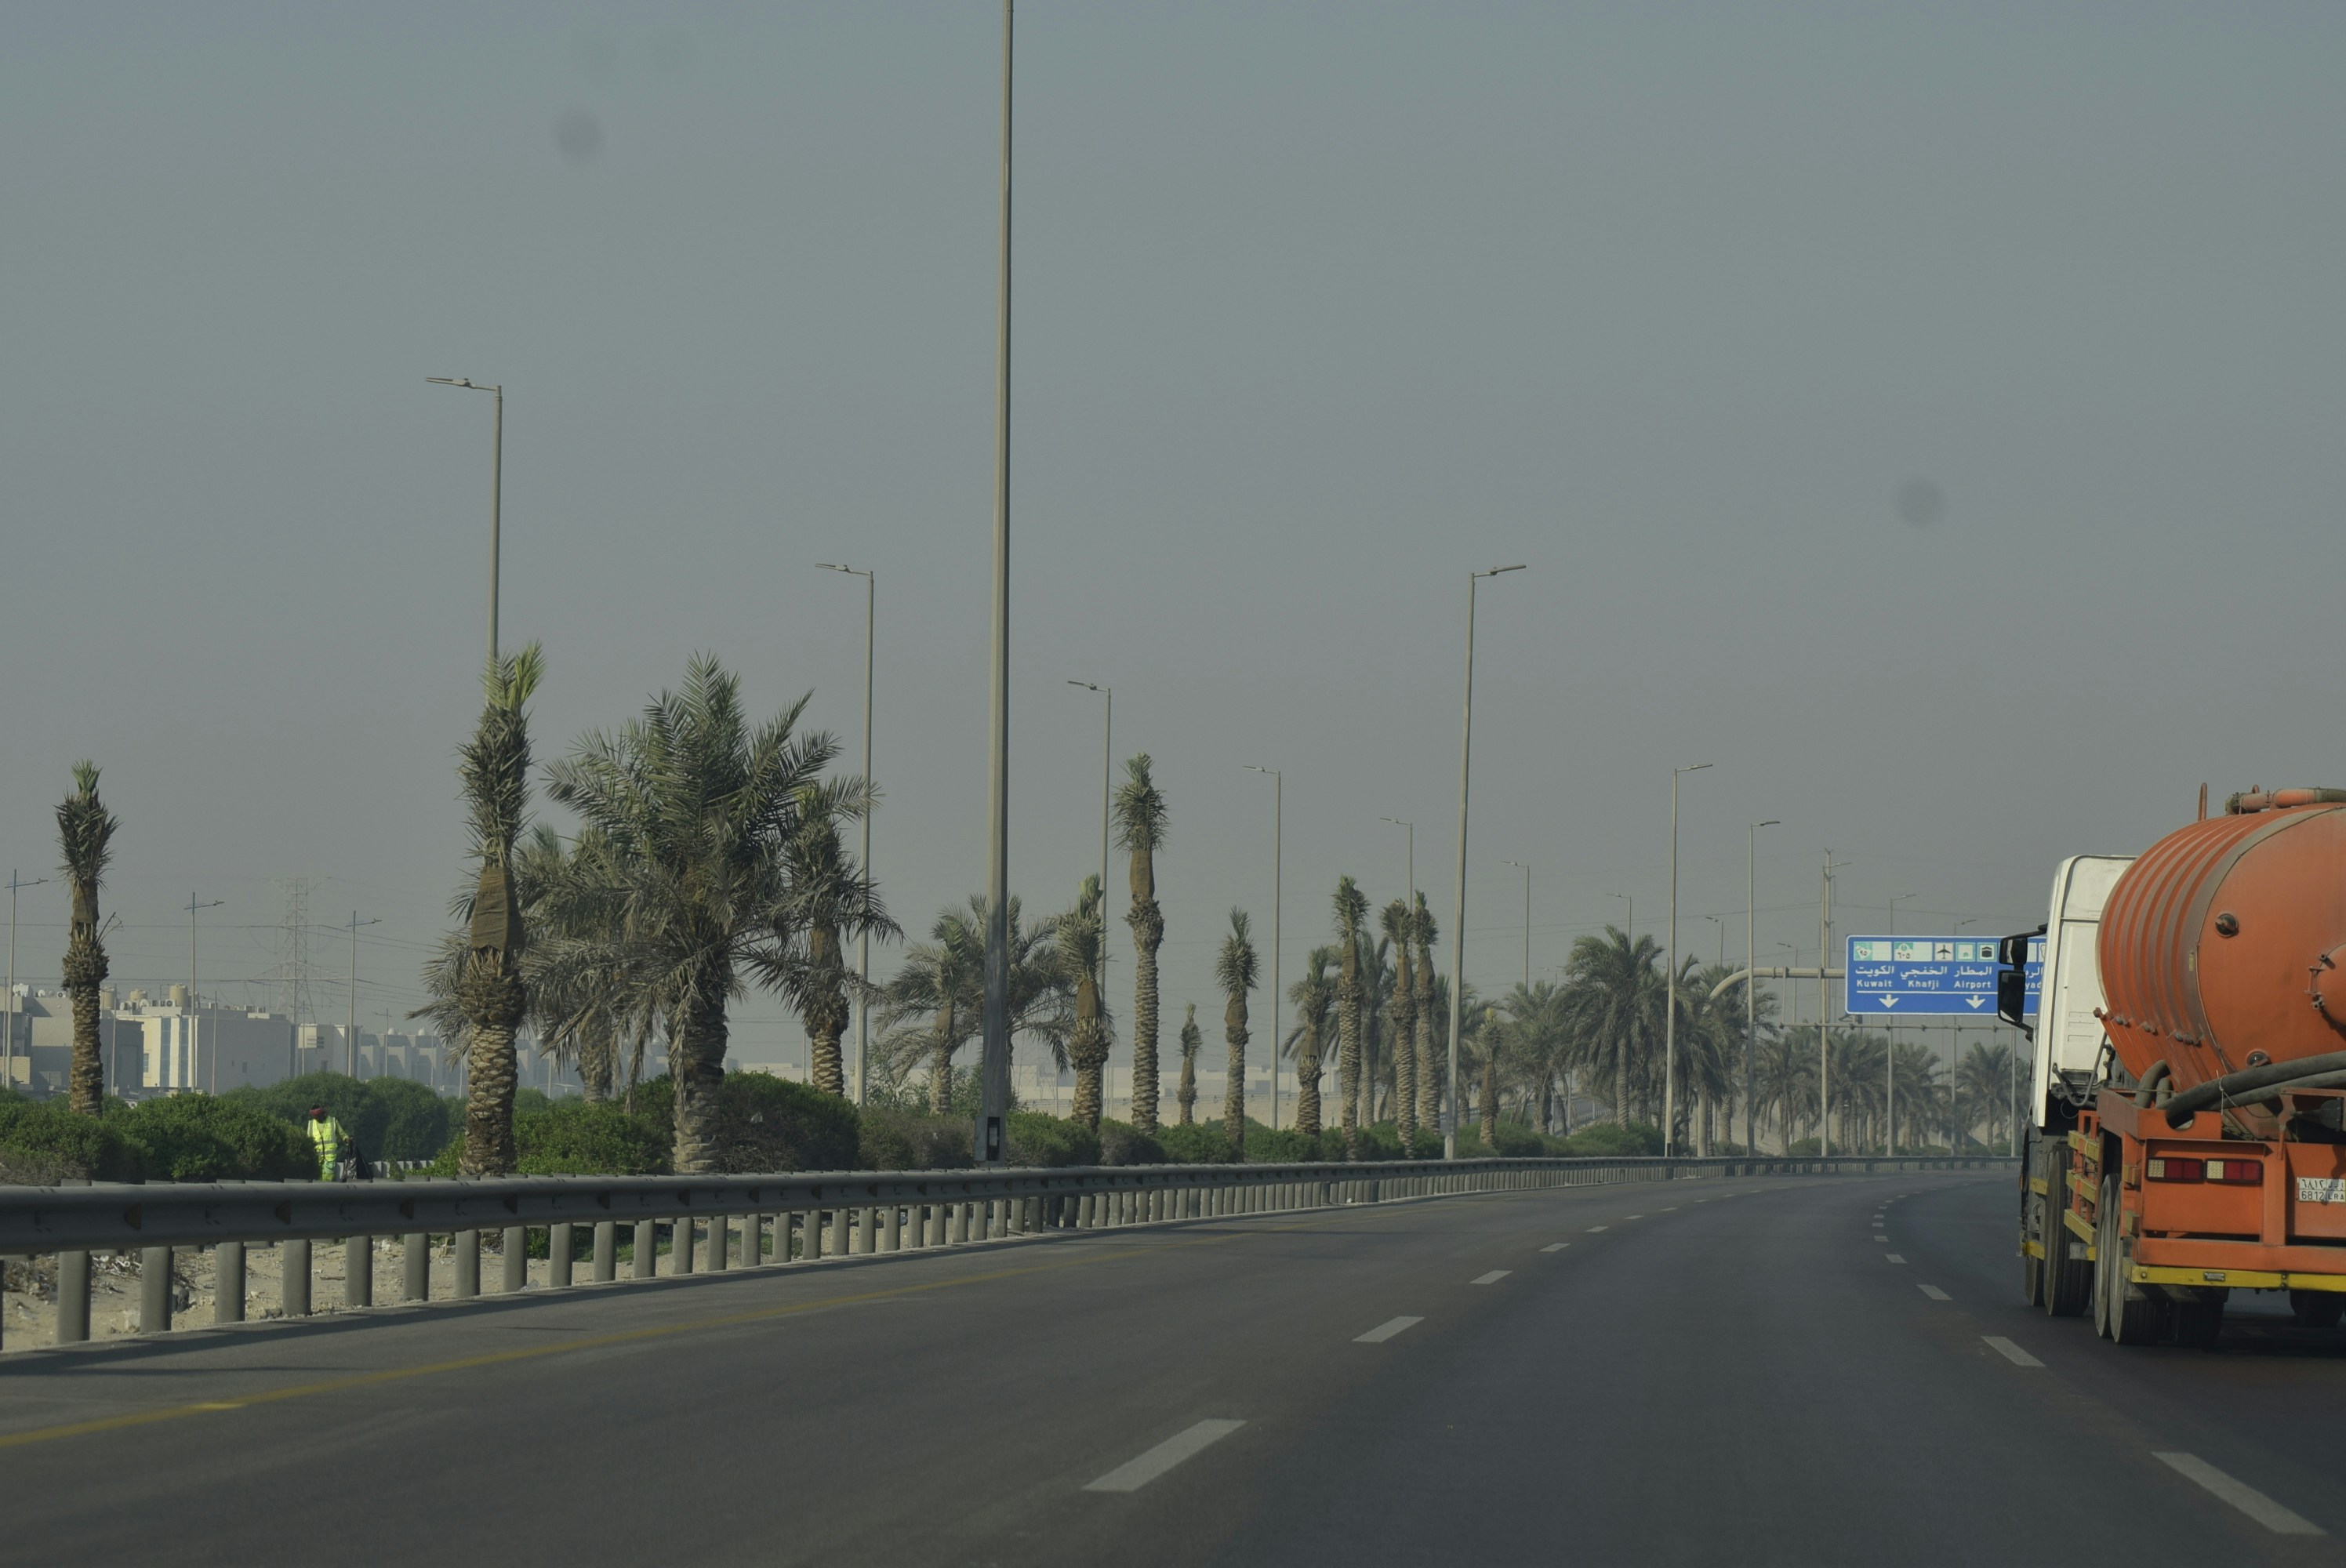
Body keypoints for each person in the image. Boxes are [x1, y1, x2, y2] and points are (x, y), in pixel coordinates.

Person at [304, 1104, 349, 1182]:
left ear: (323, 1113)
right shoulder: (311, 1124)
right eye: (316, 1117)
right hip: (317, 1159)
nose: (318, 1118)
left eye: (319, 1116)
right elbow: (308, 1140)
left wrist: (346, 1139)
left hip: (330, 1159)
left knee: (329, 1180)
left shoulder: (333, 1121)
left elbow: (342, 1134)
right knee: (317, 1181)